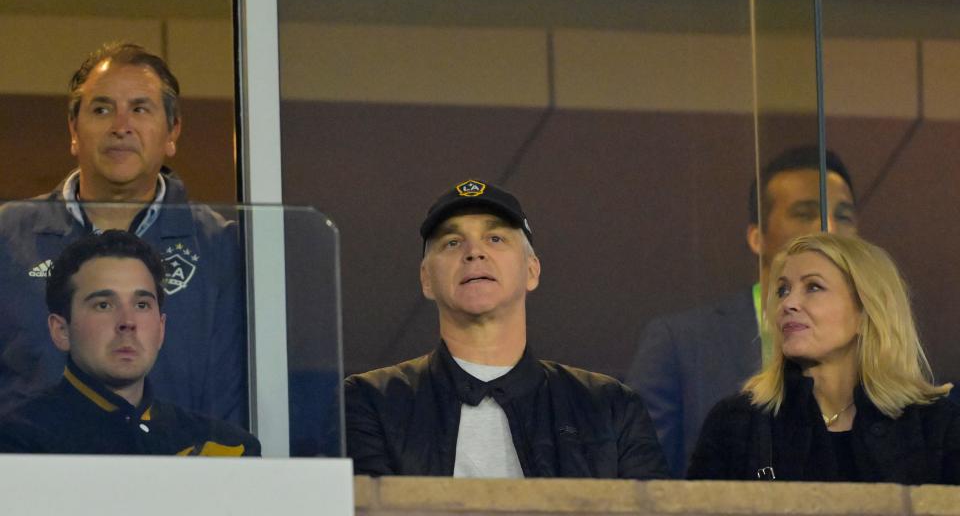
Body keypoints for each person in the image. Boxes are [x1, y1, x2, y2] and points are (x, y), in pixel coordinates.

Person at [345, 179, 669, 478]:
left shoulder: (610, 407)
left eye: (495, 238)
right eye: (453, 242)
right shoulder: (369, 401)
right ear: (426, 280)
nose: (474, 252)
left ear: (532, 270)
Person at [0, 42, 246, 425]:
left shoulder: (222, 247)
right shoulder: (7, 236)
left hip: (180, 478)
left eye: (140, 108)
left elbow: (233, 407)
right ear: (74, 129)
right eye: (101, 109)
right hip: (31, 478)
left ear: (172, 131)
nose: (120, 127)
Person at [626, 146, 858, 477]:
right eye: (806, 213)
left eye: (845, 215)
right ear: (757, 237)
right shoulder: (680, 343)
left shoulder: (879, 345)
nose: (829, 228)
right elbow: (643, 486)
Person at [687, 233, 959, 483]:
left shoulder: (936, 426)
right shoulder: (737, 423)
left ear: (866, 313)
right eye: (783, 290)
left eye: (813, 287)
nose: (788, 304)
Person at [0, 231, 259, 455]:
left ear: (161, 328)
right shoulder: (18, 442)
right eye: (103, 305)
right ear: (61, 330)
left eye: (142, 305)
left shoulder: (225, 448)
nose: (127, 322)